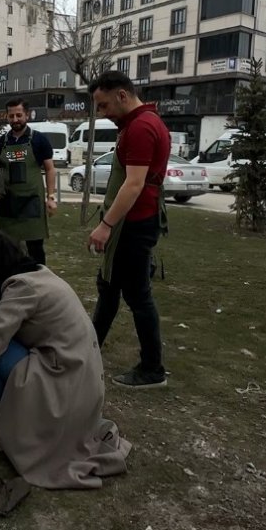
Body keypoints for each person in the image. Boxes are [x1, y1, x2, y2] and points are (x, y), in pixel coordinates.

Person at [0, 231, 131, 489]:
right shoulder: (34, 274)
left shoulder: (21, 287)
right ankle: (24, 416)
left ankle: (22, 429)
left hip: (66, 384)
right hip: (79, 381)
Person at [86, 71, 171, 389]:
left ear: (122, 95)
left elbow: (134, 184)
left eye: (105, 105)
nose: (103, 113)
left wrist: (106, 226)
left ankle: (152, 368)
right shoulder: (141, 123)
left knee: (137, 296)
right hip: (133, 222)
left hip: (133, 226)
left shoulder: (141, 127)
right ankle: (89, 348)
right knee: (109, 286)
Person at [0, 99, 57, 265]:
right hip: (8, 203)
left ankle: (39, 283)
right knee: (8, 249)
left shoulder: (39, 140)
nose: (15, 119)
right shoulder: (0, 143)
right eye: (11, 116)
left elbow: (50, 169)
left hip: (31, 203)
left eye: (19, 115)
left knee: (35, 249)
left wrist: (51, 196)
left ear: (27, 115)